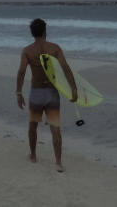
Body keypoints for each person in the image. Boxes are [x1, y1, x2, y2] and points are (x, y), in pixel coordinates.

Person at [16, 18, 77, 172]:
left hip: (36, 93)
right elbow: (66, 68)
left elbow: (22, 71)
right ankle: (58, 162)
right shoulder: (55, 48)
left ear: (32, 33)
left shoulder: (27, 51)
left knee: (33, 126)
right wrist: (73, 89)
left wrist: (18, 92)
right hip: (51, 93)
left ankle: (34, 155)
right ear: (45, 31)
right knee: (55, 128)